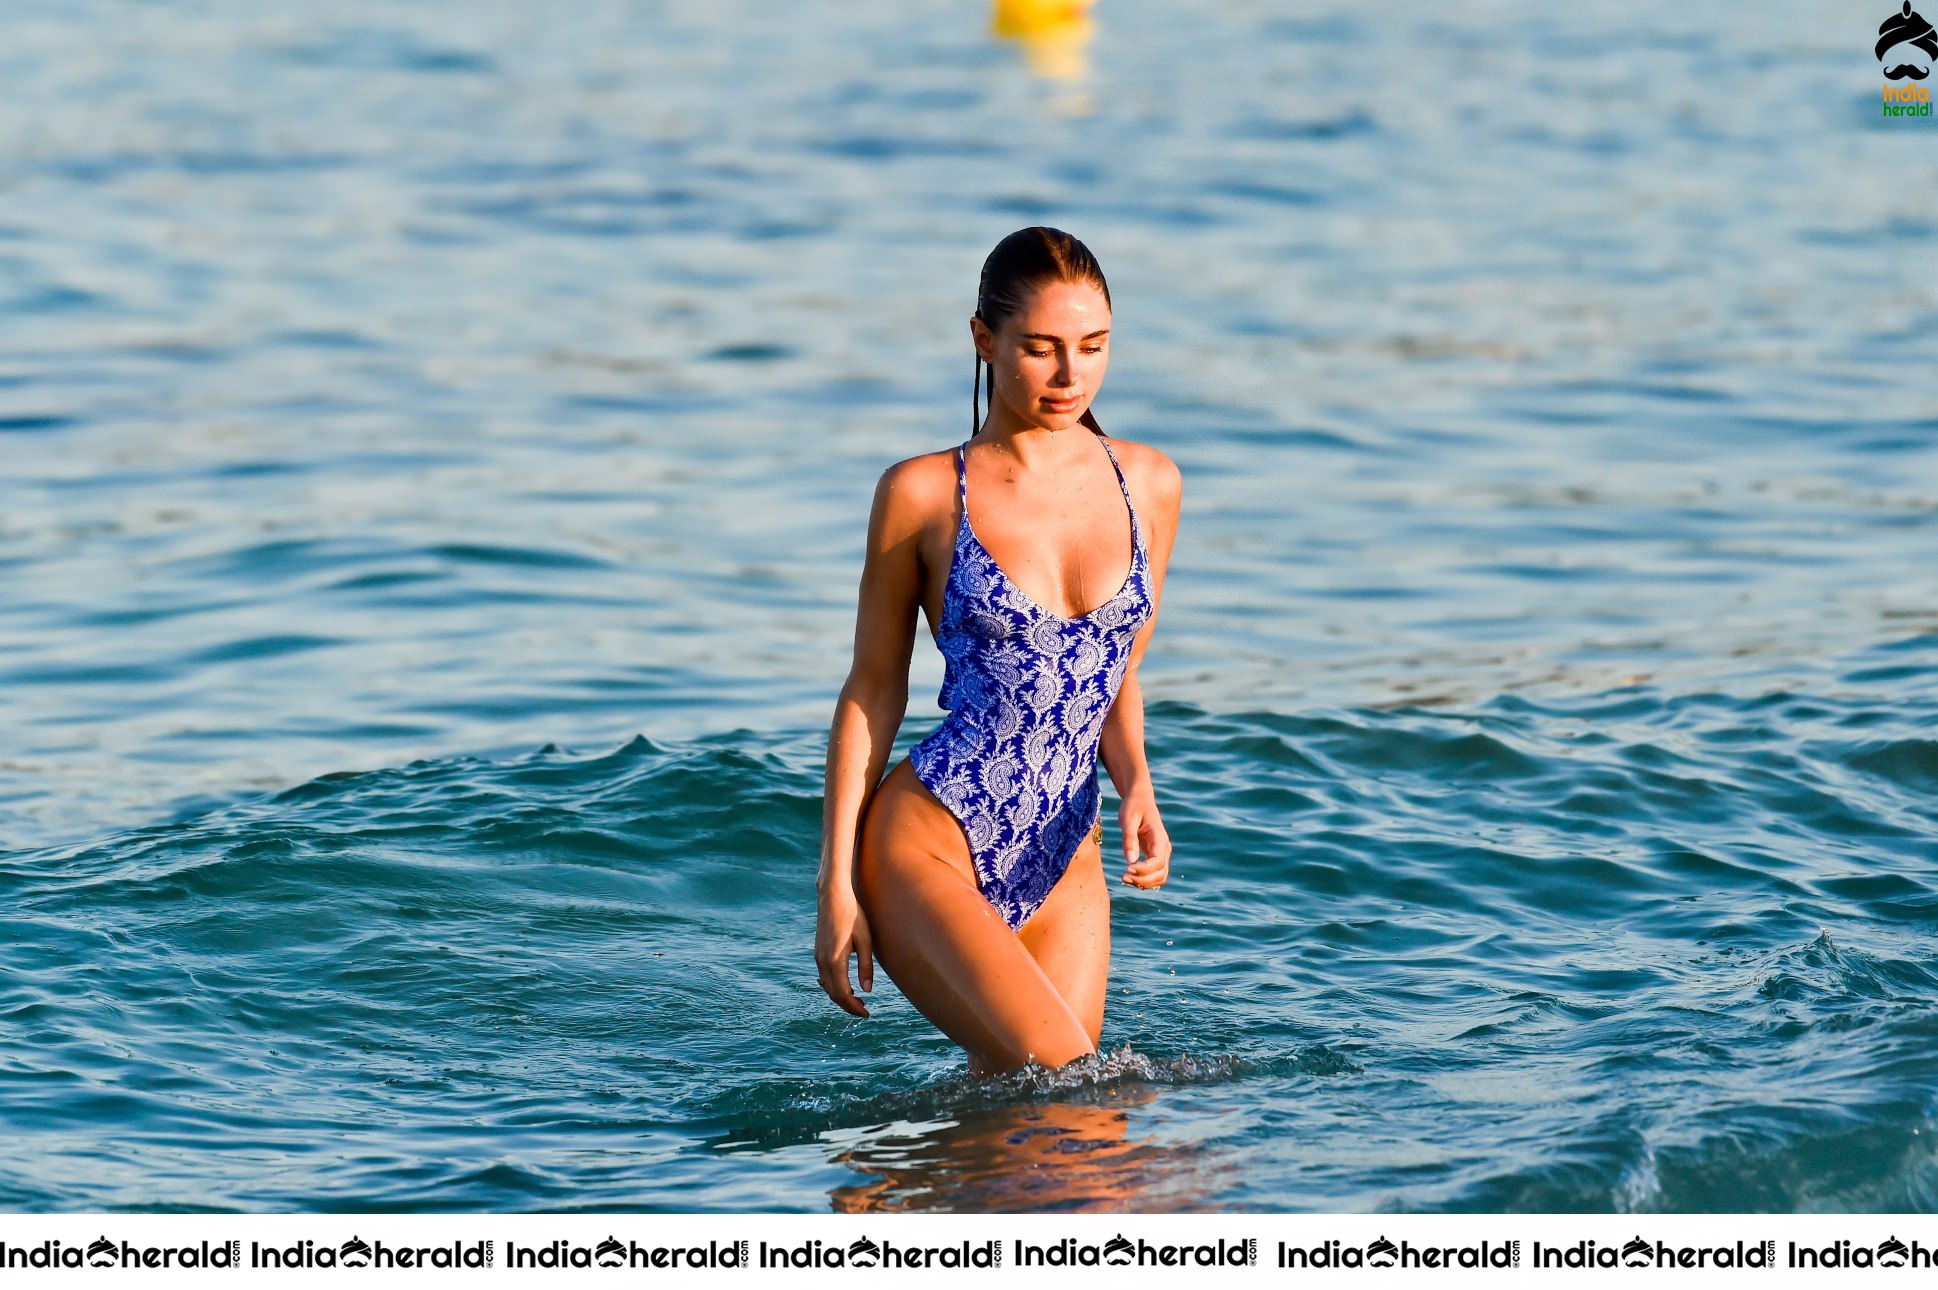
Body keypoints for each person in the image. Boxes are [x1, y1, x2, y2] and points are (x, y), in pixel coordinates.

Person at [815, 226, 1182, 1074]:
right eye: (1041, 349)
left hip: (1068, 852)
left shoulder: (1151, 484)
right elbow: (873, 689)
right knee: (1072, 1093)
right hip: (931, 841)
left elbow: (1116, 666)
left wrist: (1137, 786)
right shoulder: (923, 493)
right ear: (984, 340)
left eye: (1092, 348)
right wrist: (835, 885)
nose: (1069, 375)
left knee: (1040, 1154)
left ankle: (901, 1194)